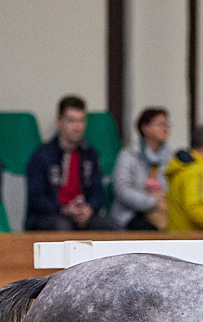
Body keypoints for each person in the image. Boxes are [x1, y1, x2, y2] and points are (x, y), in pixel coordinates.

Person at [25, 95, 113, 231]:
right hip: (50, 216)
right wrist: (65, 209)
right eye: (71, 121)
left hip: (82, 214)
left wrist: (89, 209)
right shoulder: (41, 155)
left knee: (111, 227)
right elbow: (37, 198)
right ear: (59, 121)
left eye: (81, 121)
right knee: (62, 226)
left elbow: (97, 192)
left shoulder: (90, 153)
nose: (77, 127)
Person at [110, 107, 171, 230]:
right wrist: (151, 201)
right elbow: (122, 189)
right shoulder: (129, 154)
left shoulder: (170, 157)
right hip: (130, 214)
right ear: (145, 128)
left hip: (162, 212)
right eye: (160, 124)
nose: (165, 129)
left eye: (167, 125)